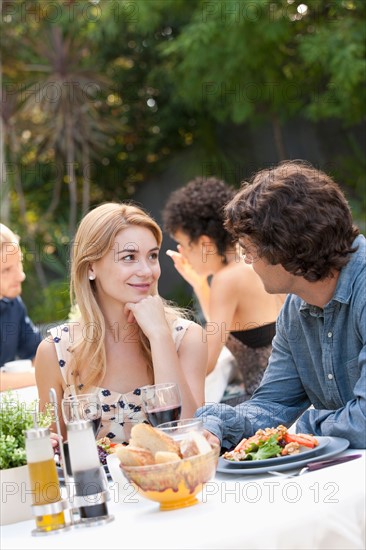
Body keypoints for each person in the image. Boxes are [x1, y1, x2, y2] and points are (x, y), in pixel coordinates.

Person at [195, 160, 366, 449]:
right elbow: (273, 403)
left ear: (284, 248)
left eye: (248, 250)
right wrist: (218, 427)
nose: (246, 261)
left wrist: (300, 429)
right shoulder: (295, 309)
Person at [35, 202, 207, 443]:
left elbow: (189, 435)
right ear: (91, 267)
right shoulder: (55, 351)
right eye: (129, 257)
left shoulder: (186, 337)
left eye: (152, 256)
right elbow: (58, 460)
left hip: (170, 480)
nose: (147, 270)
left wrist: (159, 337)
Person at [162, 177, 285, 404]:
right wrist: (199, 283)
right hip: (287, 397)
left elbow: (206, 362)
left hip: (268, 401)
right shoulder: (251, 261)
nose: (183, 254)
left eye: (184, 245)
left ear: (205, 244)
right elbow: (226, 326)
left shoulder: (226, 280)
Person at [0, 223, 41, 391]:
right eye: (6, 270)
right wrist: (46, 374)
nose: (21, 275)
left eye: (19, 263)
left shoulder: (13, 303)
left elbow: (39, 353)